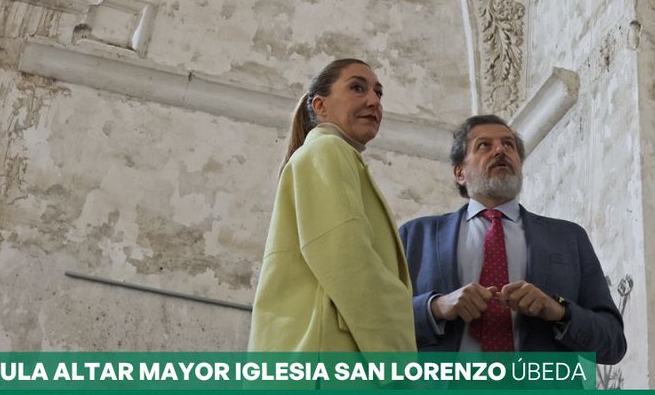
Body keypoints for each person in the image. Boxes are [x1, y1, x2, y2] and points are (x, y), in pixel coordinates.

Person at [398, 115, 626, 362]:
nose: (500, 150)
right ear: (460, 173)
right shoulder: (416, 236)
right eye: (484, 145)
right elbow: (377, 323)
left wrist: (558, 311)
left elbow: (612, 344)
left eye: (509, 145)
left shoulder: (568, 238)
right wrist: (436, 307)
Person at [248, 58, 415, 352]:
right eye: (357, 88)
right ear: (320, 106)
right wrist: (399, 364)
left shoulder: (326, 154)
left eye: (379, 93)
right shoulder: (327, 149)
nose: (374, 101)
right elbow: (349, 259)